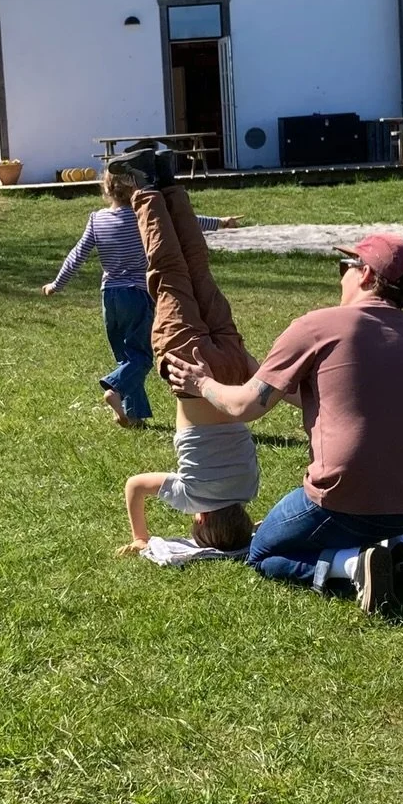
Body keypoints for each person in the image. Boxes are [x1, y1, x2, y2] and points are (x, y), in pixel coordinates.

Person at [164, 233, 403, 613]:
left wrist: (200, 383)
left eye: (344, 268)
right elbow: (329, 398)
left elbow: (245, 408)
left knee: (264, 551)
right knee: (386, 459)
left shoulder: (318, 326)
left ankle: (354, 567)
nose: (340, 277)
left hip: (348, 498)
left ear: (366, 275)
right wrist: (261, 371)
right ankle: (399, 549)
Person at [118, 172, 260, 555]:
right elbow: (135, 485)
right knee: (168, 275)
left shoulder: (249, 488)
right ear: (200, 519)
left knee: (197, 270)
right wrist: (140, 537)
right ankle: (146, 185)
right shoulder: (191, 497)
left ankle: (168, 181)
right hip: (191, 369)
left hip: (233, 369)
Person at [42, 164, 238, 427]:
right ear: (135, 187)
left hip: (109, 296)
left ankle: (133, 415)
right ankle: (115, 389)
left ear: (106, 188)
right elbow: (185, 221)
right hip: (138, 295)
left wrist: (57, 283)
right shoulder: (141, 216)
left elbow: (77, 254)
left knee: (126, 356)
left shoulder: (96, 219)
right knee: (143, 357)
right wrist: (221, 222)